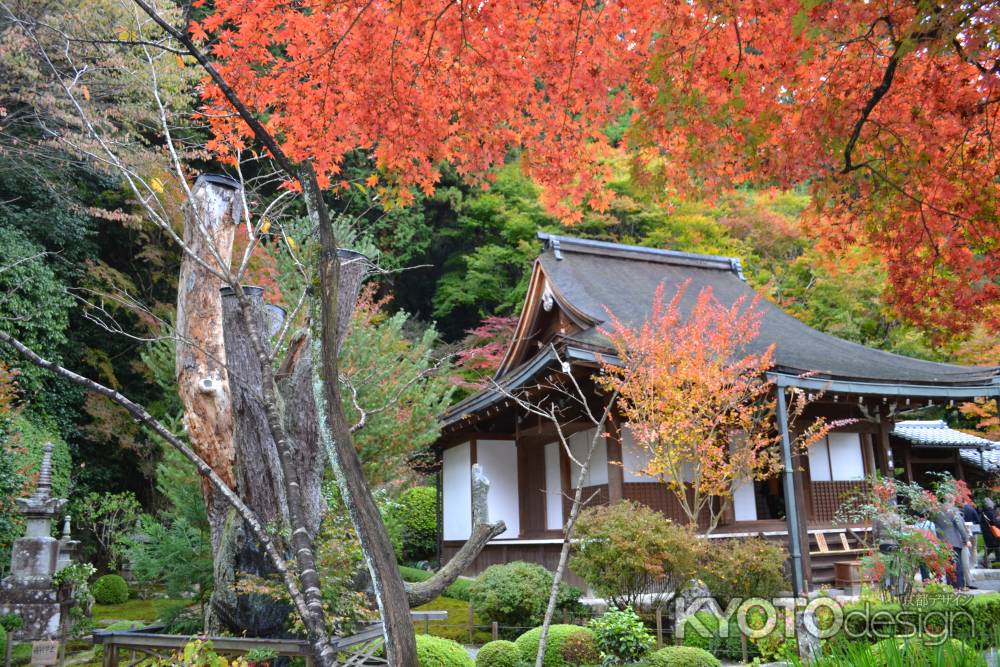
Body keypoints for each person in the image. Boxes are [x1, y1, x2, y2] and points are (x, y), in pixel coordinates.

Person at [934, 493, 972, 590]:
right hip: (954, 541)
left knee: (948, 564)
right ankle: (959, 586)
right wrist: (966, 539)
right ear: (952, 501)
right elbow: (960, 526)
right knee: (956, 564)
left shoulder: (937, 512)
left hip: (942, 542)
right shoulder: (953, 511)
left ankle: (951, 586)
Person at [963, 500, 981, 583]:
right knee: (974, 547)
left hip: (964, 530)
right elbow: (978, 520)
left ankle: (967, 563)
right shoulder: (971, 509)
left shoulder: (960, 510)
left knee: (966, 548)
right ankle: (974, 563)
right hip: (973, 530)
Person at [981, 498, 1000, 567]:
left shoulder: (984, 512)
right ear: (989, 504)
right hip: (991, 534)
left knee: (993, 547)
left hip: (988, 533)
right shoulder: (989, 512)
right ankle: (996, 562)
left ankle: (986, 560)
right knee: (995, 546)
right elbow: (993, 523)